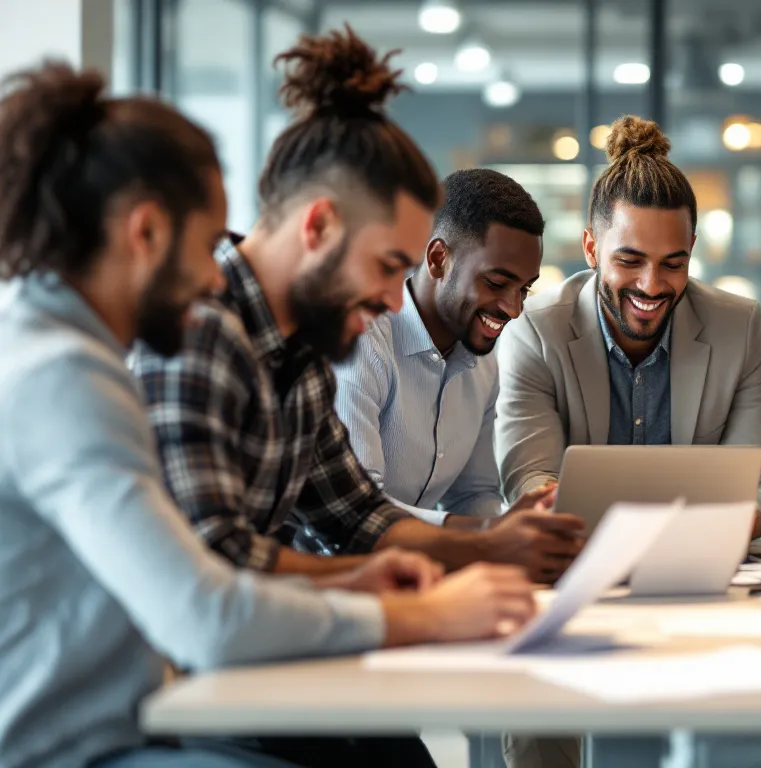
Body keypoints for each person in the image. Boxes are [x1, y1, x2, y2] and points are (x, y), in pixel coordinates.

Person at [0, 61, 537, 768]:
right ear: (146, 234)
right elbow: (208, 606)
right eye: (203, 247)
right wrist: (418, 615)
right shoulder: (66, 376)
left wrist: (362, 583)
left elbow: (324, 528)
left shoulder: (66, 352)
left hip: (134, 722)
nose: (212, 275)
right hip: (89, 747)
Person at [131, 26, 582, 593]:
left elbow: (358, 518)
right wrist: (420, 587)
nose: (396, 300)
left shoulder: (303, 351)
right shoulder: (199, 332)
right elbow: (218, 567)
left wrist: (491, 546)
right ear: (319, 226)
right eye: (388, 265)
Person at [495, 115, 761, 539]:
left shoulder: (738, 328)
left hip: (698, 557)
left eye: (673, 263)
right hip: (577, 559)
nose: (651, 285)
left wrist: (729, 529)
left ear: (692, 250)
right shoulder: (535, 332)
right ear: (592, 248)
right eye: (629, 261)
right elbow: (531, 477)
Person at [333, 169, 544, 528]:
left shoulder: (485, 361)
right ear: (437, 258)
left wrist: (508, 537)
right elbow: (359, 509)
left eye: (524, 289)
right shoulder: (364, 342)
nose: (513, 308)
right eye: (496, 283)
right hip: (339, 573)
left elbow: (474, 495)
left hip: (422, 572)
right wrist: (488, 533)